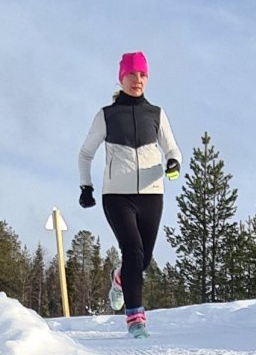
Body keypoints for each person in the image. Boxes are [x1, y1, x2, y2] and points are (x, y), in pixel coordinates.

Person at [77, 51, 182, 337]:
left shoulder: (156, 114)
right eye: (132, 74)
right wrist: (86, 186)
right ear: (121, 77)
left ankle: (119, 277)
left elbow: (172, 149)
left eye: (143, 74)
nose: (138, 79)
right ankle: (136, 320)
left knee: (143, 260)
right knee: (133, 252)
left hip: (151, 194)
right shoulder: (107, 115)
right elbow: (86, 154)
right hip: (117, 195)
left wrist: (173, 162)